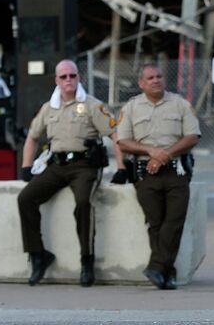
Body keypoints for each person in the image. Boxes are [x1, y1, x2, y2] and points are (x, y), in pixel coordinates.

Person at [18, 59, 124, 287]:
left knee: (83, 203)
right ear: (57, 80)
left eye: (72, 76)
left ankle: (87, 260)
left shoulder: (92, 105)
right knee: (25, 198)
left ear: (79, 78)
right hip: (57, 166)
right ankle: (38, 255)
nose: (69, 80)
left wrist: (122, 168)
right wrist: (26, 166)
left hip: (85, 167)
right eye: (64, 77)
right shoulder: (49, 107)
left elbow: (115, 135)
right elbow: (32, 137)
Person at [116, 64, 201, 290]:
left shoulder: (181, 104)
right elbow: (123, 141)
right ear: (141, 83)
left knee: (174, 221)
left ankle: (156, 267)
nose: (155, 80)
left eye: (159, 76)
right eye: (150, 78)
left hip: (176, 171)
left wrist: (165, 155)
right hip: (146, 173)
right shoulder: (131, 107)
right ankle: (166, 273)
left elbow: (193, 136)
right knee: (156, 222)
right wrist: (151, 152)